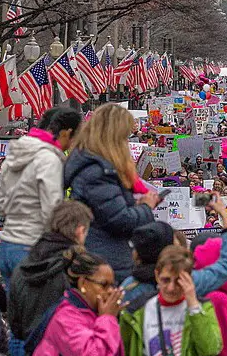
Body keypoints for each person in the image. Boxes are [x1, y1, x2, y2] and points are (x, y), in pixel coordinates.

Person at [64, 103, 160, 281]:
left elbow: (111, 210)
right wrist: (146, 207)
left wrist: (134, 206)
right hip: (105, 261)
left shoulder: (95, 167)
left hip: (105, 254)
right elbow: (119, 219)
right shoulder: (97, 172)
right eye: (124, 137)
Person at [0, 107, 82, 286]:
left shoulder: (15, 154)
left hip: (6, 245)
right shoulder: (49, 160)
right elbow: (53, 212)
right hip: (33, 249)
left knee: (15, 312)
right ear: (66, 133)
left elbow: (1, 206)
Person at [8, 200, 93, 342]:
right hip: (65, 352)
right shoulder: (79, 270)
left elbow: (15, 324)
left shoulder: (24, 265)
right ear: (80, 230)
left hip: (31, 350)